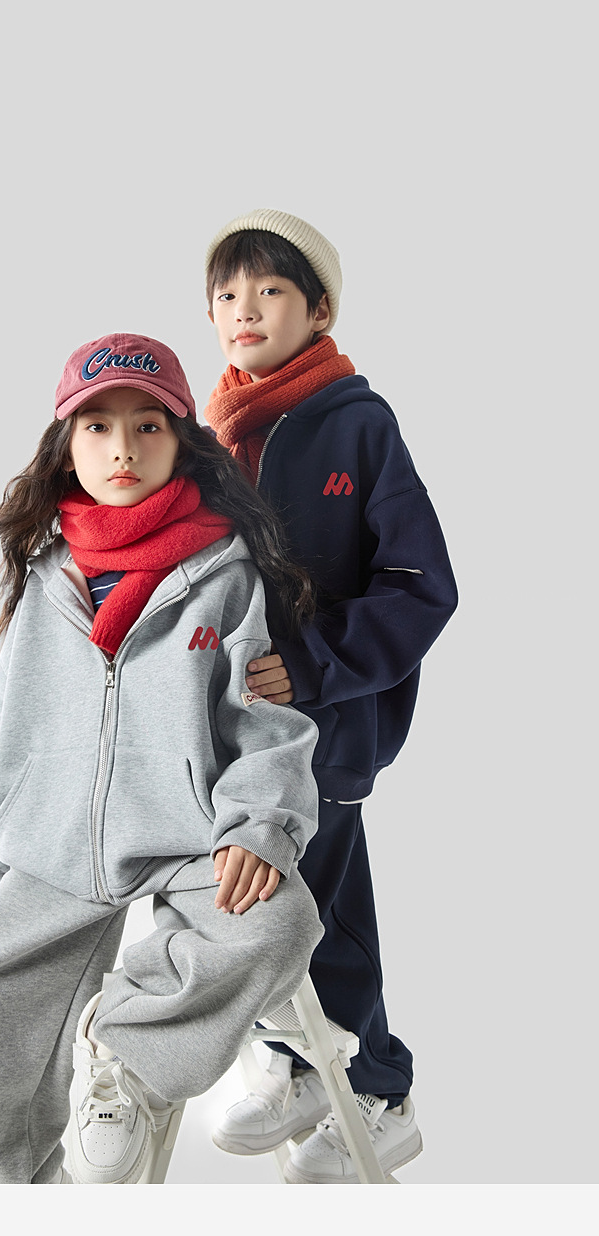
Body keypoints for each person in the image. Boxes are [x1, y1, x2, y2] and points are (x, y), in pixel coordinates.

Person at [0, 331, 324, 1184]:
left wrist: (259, 824)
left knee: (281, 921)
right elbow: (5, 730)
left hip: (188, 837)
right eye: (97, 427)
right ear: (66, 444)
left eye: (148, 426)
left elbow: (265, 721)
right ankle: (22, 1194)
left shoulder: (226, 575)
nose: (123, 449)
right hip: (55, 849)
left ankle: (126, 1061)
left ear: (182, 442)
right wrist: (3, 849)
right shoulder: (42, 575)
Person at [203, 210, 458, 1183]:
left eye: (269, 290)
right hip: (231, 730)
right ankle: (295, 1058)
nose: (245, 309)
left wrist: (313, 665)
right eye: (227, 293)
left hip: (328, 722)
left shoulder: (359, 423)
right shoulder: (207, 438)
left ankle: (380, 1089)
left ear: (318, 310)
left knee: (324, 903)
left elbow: (422, 584)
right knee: (255, 899)